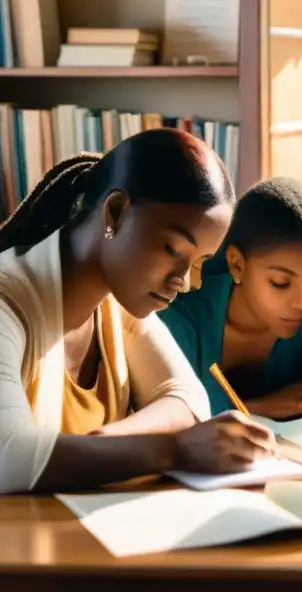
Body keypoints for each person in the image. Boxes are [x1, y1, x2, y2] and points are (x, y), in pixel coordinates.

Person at [0, 128, 277, 495]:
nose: (185, 281)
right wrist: (173, 450)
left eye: (199, 262)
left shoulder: (117, 299)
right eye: (173, 249)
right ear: (115, 212)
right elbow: (10, 457)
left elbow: (188, 398)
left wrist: (104, 442)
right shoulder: (8, 302)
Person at [158, 177, 302, 419]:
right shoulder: (179, 318)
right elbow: (165, 415)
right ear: (237, 265)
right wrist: (258, 409)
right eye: (281, 283)